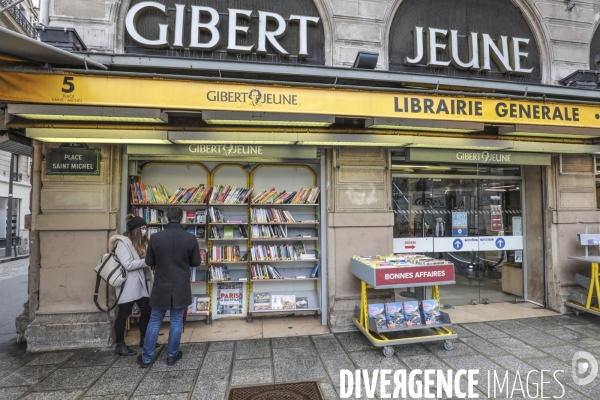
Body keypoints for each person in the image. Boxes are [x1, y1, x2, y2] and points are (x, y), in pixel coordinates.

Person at [137, 207, 201, 368]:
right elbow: (196, 262)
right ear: (182, 219)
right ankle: (172, 356)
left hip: (161, 284)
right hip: (180, 284)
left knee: (155, 320)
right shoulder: (190, 238)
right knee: (176, 321)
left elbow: (149, 261)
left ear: (166, 219)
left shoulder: (156, 238)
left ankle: (146, 357)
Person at [110, 215, 153, 356]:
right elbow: (127, 264)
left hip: (143, 283)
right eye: (143, 228)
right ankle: (120, 345)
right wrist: (147, 261)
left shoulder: (143, 243)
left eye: (146, 228)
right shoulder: (122, 243)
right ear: (136, 230)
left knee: (147, 311)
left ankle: (144, 339)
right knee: (123, 314)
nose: (145, 231)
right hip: (129, 284)